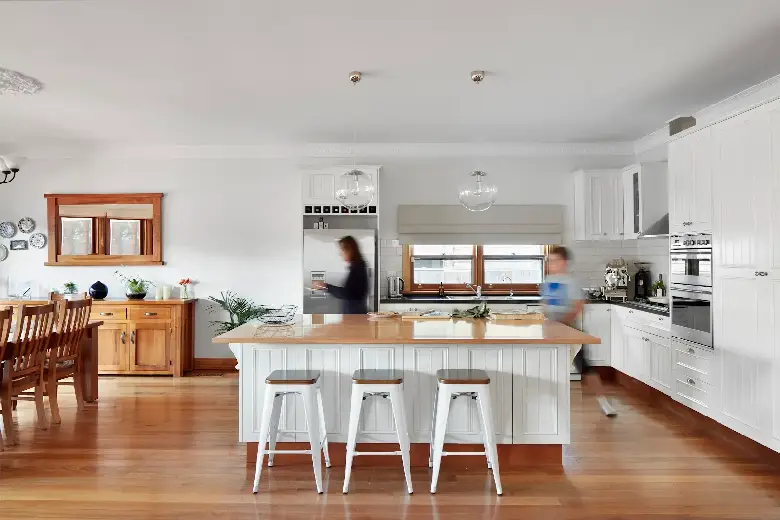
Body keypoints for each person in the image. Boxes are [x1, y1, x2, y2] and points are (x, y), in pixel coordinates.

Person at [541, 245, 617, 417]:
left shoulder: (571, 282)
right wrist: (547, 320)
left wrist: (563, 323)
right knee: (550, 368)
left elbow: (578, 306)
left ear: (564, 262)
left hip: (570, 331)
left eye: (555, 261)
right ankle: (550, 406)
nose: (551, 264)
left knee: (585, 368)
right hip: (551, 332)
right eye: (549, 261)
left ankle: (604, 403)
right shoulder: (547, 282)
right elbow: (546, 304)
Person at [312, 235, 369, 314]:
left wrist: (324, 286)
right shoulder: (357, 266)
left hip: (355, 318)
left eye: (342, 250)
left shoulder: (358, 268)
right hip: (354, 316)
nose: (340, 254)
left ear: (350, 250)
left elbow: (347, 293)